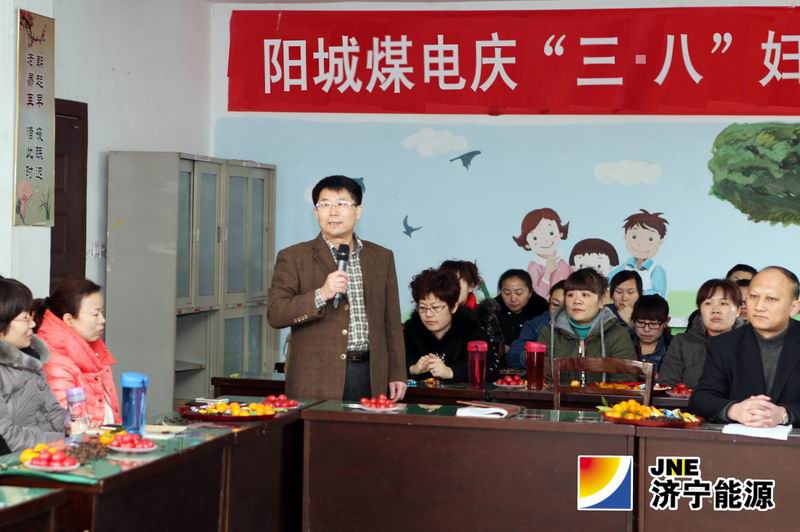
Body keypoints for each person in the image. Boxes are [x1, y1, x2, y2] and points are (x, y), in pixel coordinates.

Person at [267, 175, 406, 401]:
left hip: (371, 374)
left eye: (342, 203)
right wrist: (321, 294)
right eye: (325, 204)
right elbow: (276, 314)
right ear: (316, 212)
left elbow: (391, 321)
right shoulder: (293, 257)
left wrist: (397, 372)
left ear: (358, 211)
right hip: (316, 378)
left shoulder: (381, 257)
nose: (333, 212)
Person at [690, 267, 800, 427]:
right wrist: (734, 410)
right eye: (754, 296)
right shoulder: (724, 344)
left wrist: (784, 414)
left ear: (794, 307)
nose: (759, 306)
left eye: (771, 299)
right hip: (738, 439)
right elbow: (701, 398)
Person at [36, 279, 120, 426]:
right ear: (69, 320)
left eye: (102, 312)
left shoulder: (96, 350)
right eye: (95, 314)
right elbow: (67, 427)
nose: (102, 320)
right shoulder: (55, 363)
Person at [538, 269, 636, 385]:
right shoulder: (549, 332)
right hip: (558, 397)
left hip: (604, 397)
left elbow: (624, 382)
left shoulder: (618, 334)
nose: (577, 301)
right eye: (570, 295)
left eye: (585, 295)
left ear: (601, 301)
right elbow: (543, 380)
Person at [0, 278, 65, 452]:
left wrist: (72, 425)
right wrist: (63, 440)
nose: (33, 324)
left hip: (43, 454)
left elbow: (52, 412)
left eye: (31, 316)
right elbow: (7, 437)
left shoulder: (31, 359)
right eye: (25, 318)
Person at [404, 268, 497, 383]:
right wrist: (412, 369)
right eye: (422, 308)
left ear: (453, 307)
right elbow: (392, 367)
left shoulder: (472, 328)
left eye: (435, 308)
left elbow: (491, 371)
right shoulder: (411, 330)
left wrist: (451, 372)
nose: (428, 314)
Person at [659, 279, 742, 388]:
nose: (715, 310)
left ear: (738, 311)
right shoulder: (682, 343)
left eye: (723, 303)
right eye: (708, 303)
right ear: (700, 310)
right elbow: (666, 385)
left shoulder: (748, 344)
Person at [512, 207, 572, 300]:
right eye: (535, 238)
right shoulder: (534, 267)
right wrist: (547, 273)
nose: (545, 240)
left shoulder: (561, 261)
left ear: (560, 233)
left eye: (551, 233)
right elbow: (539, 294)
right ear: (527, 244)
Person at [608, 209, 669, 298]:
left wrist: (639, 293)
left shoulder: (655, 269)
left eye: (650, 239)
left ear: (660, 241)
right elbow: (608, 280)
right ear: (625, 236)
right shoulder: (625, 266)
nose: (641, 244)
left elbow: (660, 295)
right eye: (634, 236)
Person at [506, 281, 565, 368]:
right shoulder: (536, 325)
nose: (559, 311)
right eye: (555, 304)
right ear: (549, 302)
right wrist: (531, 356)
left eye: (566, 306)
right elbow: (512, 356)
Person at [494, 269, 548, 349]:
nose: (513, 299)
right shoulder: (491, 310)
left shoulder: (542, 311)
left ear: (530, 293)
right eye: (507, 293)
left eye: (519, 293)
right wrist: (495, 347)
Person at [631, 295, 672, 373]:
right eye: (640, 322)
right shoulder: (623, 344)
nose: (646, 329)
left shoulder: (676, 347)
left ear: (666, 322)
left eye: (653, 324)